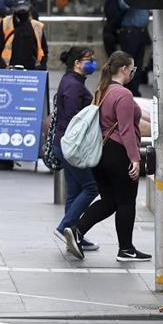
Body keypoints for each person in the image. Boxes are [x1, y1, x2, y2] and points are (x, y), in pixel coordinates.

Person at [64, 51, 151, 263]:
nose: (133, 72)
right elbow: (126, 130)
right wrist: (135, 158)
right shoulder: (123, 94)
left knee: (110, 201)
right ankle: (126, 249)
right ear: (123, 69)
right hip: (118, 152)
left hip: (100, 153)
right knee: (126, 201)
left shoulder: (102, 90)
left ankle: (76, 230)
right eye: (132, 69)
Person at [53, 47, 100, 251]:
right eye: (88, 60)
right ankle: (66, 226)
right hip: (69, 145)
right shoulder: (73, 86)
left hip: (62, 144)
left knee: (74, 191)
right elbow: (74, 120)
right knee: (91, 187)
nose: (92, 63)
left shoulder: (72, 81)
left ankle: (73, 233)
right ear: (77, 63)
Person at [0, 0, 48, 70]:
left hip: (32, 73)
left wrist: (40, 70)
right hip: (9, 73)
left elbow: (44, 52)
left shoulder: (37, 26)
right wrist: (4, 67)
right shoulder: (6, 23)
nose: (22, 13)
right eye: (19, 10)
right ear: (14, 9)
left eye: (24, 10)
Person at [115, 0, 150, 97]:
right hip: (130, 33)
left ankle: (134, 90)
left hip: (141, 32)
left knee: (138, 65)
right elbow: (123, 5)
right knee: (128, 63)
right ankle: (127, 90)